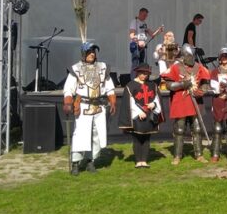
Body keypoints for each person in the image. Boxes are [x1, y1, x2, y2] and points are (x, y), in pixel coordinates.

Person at [63, 42, 117, 176]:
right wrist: (68, 102)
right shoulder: (76, 69)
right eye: (89, 52)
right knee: (81, 134)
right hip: (83, 106)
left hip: (99, 106)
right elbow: (68, 89)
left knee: (96, 135)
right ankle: (75, 163)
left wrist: (113, 102)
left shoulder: (103, 67)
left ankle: (90, 161)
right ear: (83, 54)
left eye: (93, 51)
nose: (92, 54)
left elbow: (109, 88)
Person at [161, 43, 210, 165]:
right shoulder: (176, 67)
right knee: (179, 129)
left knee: (197, 129)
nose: (191, 58)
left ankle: (199, 154)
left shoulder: (198, 67)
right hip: (181, 101)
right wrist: (183, 84)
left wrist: (200, 92)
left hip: (195, 101)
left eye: (192, 55)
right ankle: (177, 155)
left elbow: (205, 82)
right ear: (183, 55)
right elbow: (169, 85)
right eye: (189, 56)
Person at [118, 64, 163, 169]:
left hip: (149, 115)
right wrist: (138, 112)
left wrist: (154, 104)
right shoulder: (131, 85)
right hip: (137, 117)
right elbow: (130, 101)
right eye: (142, 73)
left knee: (147, 138)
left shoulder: (152, 85)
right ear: (138, 73)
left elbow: (156, 98)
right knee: (137, 138)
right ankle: (138, 161)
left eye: (146, 74)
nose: (144, 75)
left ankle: (144, 161)